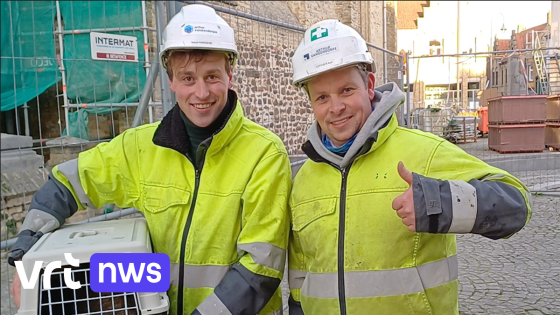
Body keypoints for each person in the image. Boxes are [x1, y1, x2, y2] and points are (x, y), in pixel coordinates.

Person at [9, 4, 291, 315]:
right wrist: (29, 255)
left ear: (230, 75)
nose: (201, 92)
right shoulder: (140, 146)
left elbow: (260, 268)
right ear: (171, 81)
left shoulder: (264, 154)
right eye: (187, 78)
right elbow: (67, 183)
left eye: (212, 76)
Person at [287, 19, 531, 315]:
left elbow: (516, 204)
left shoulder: (424, 152)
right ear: (311, 102)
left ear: (370, 85)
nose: (335, 107)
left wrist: (437, 202)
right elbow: (301, 273)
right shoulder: (303, 179)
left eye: (347, 90)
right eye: (322, 97)